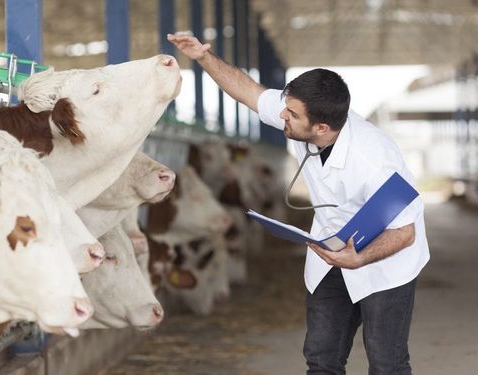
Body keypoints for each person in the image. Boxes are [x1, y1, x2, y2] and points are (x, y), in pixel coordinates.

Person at [167, 33, 430, 375]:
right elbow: (248, 91)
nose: (282, 116)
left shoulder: (374, 159)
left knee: (387, 364)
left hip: (384, 263)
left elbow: (405, 231)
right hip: (329, 252)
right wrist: (203, 58)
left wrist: (360, 257)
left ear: (321, 127)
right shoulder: (302, 116)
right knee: (321, 360)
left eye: (290, 113)